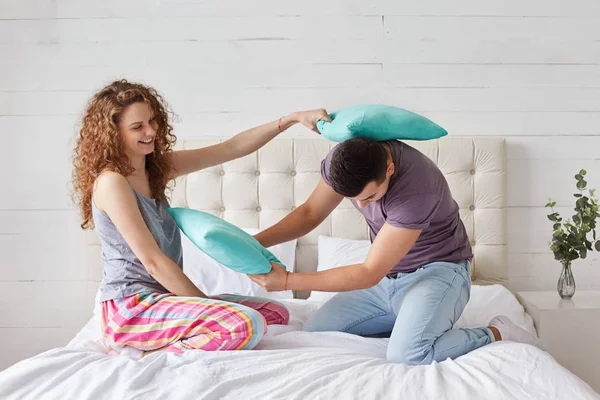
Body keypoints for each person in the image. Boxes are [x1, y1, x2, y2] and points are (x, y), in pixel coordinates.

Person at [71, 79, 330, 354]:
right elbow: (154, 263)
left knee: (275, 312)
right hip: (130, 308)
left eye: (152, 121)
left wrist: (290, 120)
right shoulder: (112, 182)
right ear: (113, 134)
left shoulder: (155, 168)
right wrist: (208, 306)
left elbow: (231, 148)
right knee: (247, 323)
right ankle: (151, 355)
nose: (151, 131)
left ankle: (183, 334)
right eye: (138, 127)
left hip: (164, 300)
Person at [249, 136, 541, 365]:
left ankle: (496, 333)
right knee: (316, 332)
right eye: (356, 200)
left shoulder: (417, 190)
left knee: (409, 355)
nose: (364, 206)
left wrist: (287, 281)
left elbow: (368, 272)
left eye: (371, 196)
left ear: (389, 169)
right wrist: (254, 243)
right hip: (388, 280)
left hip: (439, 273)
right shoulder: (346, 163)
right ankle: (410, 322)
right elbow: (310, 213)